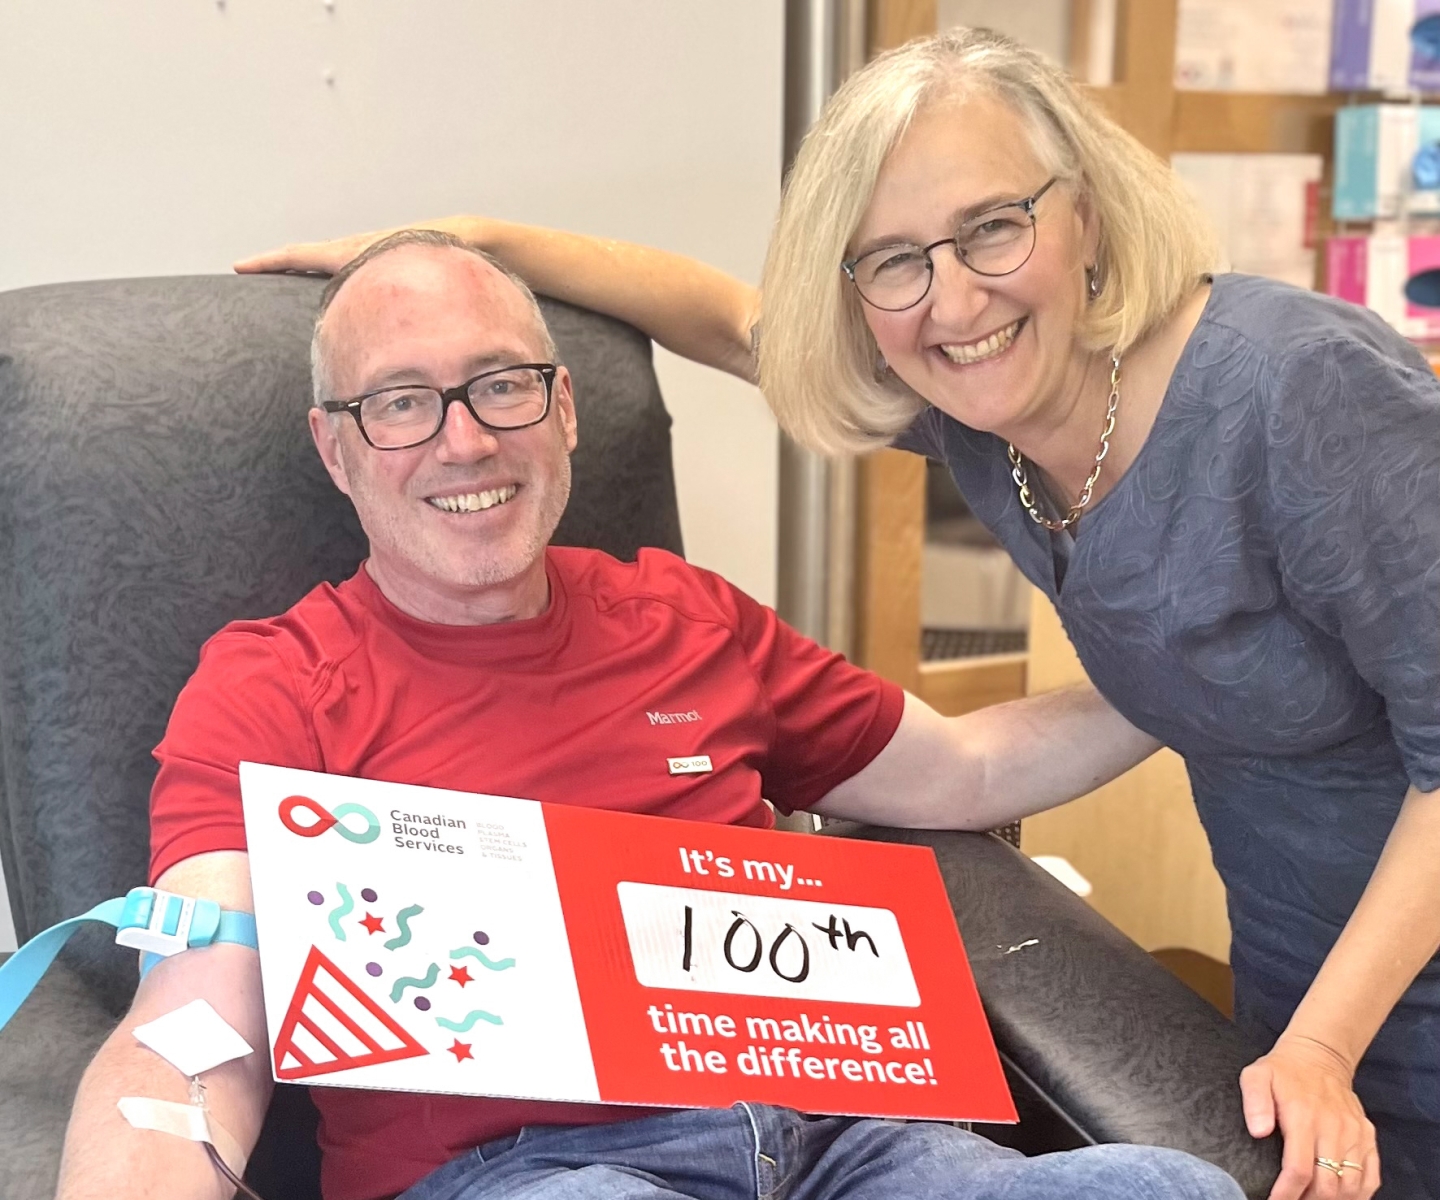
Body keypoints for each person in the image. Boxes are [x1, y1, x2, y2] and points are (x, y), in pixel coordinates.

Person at [237, 29, 1440, 1200]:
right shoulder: (982, 408)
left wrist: (1325, 1044)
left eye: (994, 225)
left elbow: (973, 766)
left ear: (1085, 210)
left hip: (1374, 982)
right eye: (893, 261)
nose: (953, 297)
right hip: (1312, 969)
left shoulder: (1296, 388)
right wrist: (468, 247)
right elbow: (732, 320)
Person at [58, 230, 1242, 1200]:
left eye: (501, 385)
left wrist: (1209, 665)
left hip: (849, 1149)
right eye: (401, 404)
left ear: (564, 410)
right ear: (336, 448)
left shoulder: (686, 620)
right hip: (530, 1175)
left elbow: (971, 769)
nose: (464, 438)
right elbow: (194, 1024)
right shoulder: (272, 689)